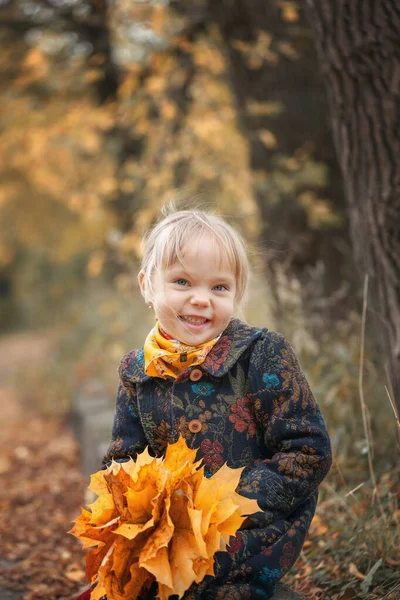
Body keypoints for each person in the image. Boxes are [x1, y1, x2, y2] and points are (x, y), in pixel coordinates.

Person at [79, 206, 332, 600]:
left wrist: (226, 505)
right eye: (182, 282)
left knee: (217, 590)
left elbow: (307, 450)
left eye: (219, 288)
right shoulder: (137, 371)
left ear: (236, 294)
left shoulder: (261, 355)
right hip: (168, 534)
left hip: (251, 533)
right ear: (148, 286)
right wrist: (126, 504)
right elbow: (123, 458)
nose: (201, 300)